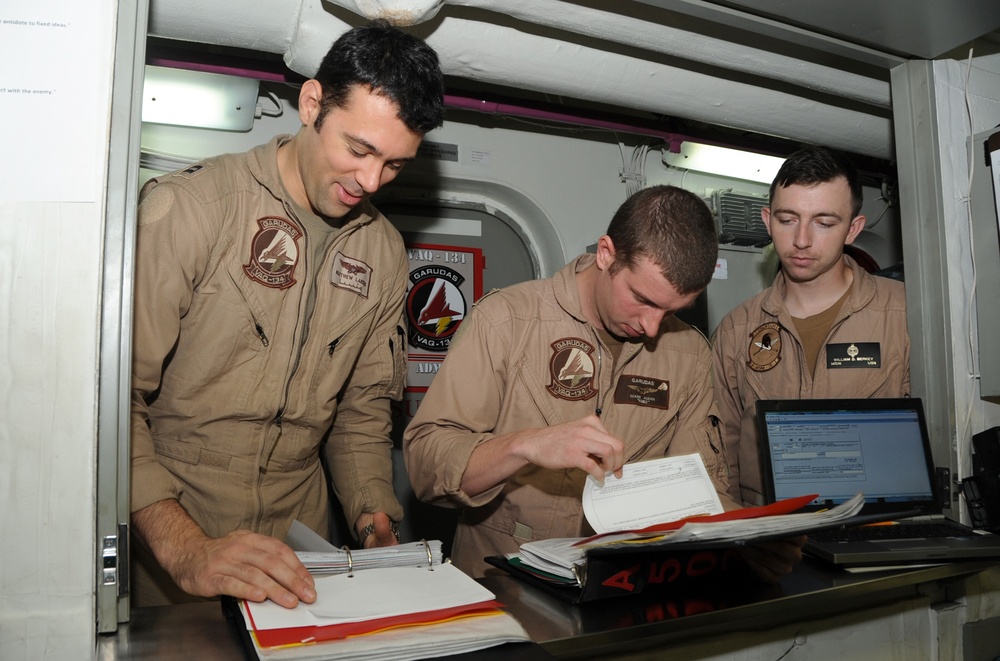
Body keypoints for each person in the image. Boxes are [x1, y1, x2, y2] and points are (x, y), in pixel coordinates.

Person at [129, 20, 445, 608]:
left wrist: (375, 520)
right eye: (359, 149)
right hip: (174, 537)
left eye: (396, 165)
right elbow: (111, 405)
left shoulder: (382, 251)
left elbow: (360, 414)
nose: (371, 181)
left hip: (303, 551)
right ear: (311, 104)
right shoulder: (193, 209)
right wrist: (187, 551)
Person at [403, 185, 803, 581]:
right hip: (504, 584)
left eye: (671, 312)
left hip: (624, 585)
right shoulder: (507, 321)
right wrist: (525, 445)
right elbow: (426, 465)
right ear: (607, 254)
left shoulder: (689, 354)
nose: (651, 328)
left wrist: (746, 537)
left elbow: (696, 491)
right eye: (643, 300)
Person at [712, 146, 910, 507]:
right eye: (787, 220)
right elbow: (722, 453)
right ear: (767, 220)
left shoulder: (904, 316)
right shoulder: (735, 331)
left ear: (853, 229)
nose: (801, 239)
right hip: (770, 534)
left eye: (824, 223)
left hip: (872, 522)